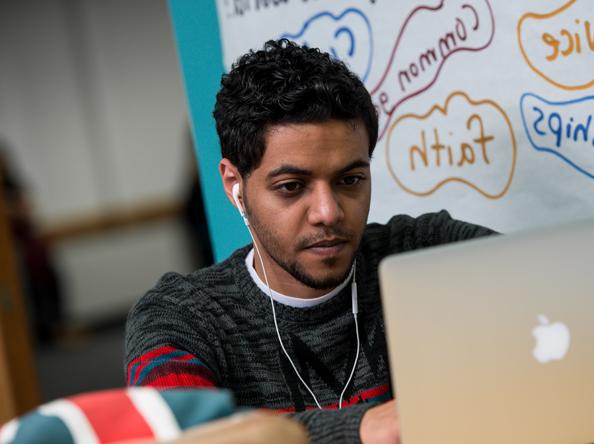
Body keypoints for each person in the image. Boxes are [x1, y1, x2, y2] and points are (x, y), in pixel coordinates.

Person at [125, 39, 496, 444]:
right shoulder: (183, 318)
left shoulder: (427, 252)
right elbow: (186, 439)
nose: (328, 212)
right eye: (292, 187)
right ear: (235, 186)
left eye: (350, 180)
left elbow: (558, 293)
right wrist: (363, 428)